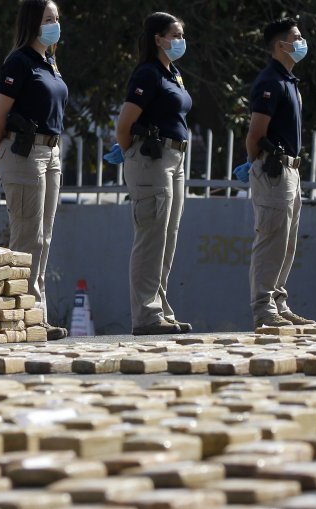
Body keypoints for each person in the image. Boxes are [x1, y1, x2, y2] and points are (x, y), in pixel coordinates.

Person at [0, 0, 69, 340]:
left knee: (42, 238)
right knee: (26, 236)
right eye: (48, 19)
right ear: (32, 22)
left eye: (57, 18)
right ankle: (21, 314)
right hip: (23, 153)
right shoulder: (19, 61)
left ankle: (35, 313)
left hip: (51, 151)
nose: (55, 24)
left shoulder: (51, 62)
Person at [104, 12, 192, 335]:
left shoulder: (174, 74)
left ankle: (160, 307)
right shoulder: (148, 74)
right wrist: (131, 154)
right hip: (151, 159)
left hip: (175, 158)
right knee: (151, 235)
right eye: (175, 35)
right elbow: (124, 126)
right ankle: (146, 314)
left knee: (167, 237)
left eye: (182, 35)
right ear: (158, 39)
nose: (181, 41)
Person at [241, 17, 316, 330]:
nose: (301, 42)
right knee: (271, 238)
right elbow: (256, 133)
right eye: (296, 37)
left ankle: (279, 303)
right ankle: (263, 308)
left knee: (286, 242)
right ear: (280, 45)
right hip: (274, 169)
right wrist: (257, 164)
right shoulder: (271, 81)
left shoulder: (289, 81)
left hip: (291, 170)